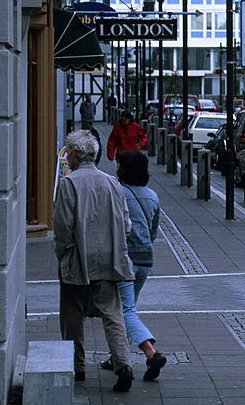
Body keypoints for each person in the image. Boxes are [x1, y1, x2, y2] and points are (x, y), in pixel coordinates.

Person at [52, 130, 135, 392]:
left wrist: (63, 253)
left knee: (72, 315)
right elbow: (126, 223)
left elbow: (63, 226)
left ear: (75, 154)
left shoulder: (69, 183)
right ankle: (123, 364)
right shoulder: (113, 183)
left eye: (68, 152)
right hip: (108, 259)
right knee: (113, 313)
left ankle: (77, 366)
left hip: (78, 259)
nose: (68, 157)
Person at [99, 150, 167, 381]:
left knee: (124, 311)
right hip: (145, 260)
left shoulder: (118, 193)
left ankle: (151, 352)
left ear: (124, 170)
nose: (115, 169)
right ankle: (116, 357)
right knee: (128, 308)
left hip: (125, 259)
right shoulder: (152, 196)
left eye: (118, 165)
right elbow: (154, 231)